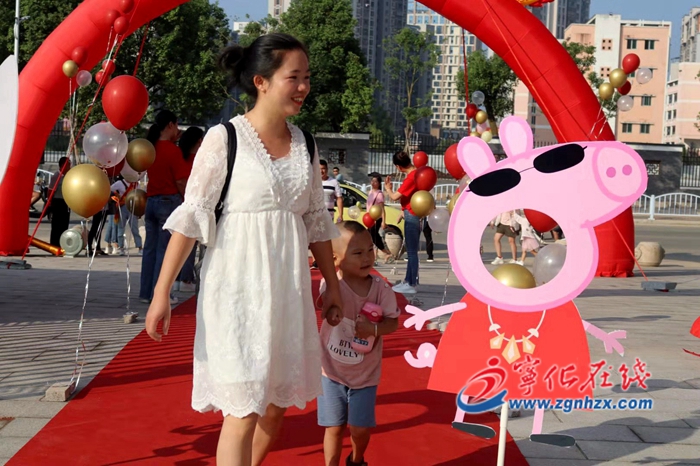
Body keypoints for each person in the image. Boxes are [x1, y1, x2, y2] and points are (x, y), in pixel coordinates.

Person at [145, 33, 344, 466]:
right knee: (243, 412)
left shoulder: (306, 145)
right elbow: (192, 218)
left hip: (287, 293)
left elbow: (316, 222)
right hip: (235, 292)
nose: (304, 87)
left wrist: (332, 285)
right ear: (261, 81)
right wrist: (161, 293)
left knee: (274, 409)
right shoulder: (224, 139)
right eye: (294, 77)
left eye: (307, 77)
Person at [317, 221, 399, 466]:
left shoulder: (381, 289)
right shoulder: (332, 285)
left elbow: (393, 323)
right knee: (333, 427)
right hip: (330, 371)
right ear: (335, 259)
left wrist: (373, 329)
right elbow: (325, 307)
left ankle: (356, 459)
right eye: (357, 253)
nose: (366, 258)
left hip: (365, 374)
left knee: (359, 429)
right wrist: (332, 311)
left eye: (370, 250)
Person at [139, 110, 189, 305]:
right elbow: (180, 181)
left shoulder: (150, 148)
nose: (177, 129)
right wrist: (187, 199)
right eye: (176, 125)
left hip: (151, 201)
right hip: (168, 202)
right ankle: (160, 294)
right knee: (164, 251)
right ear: (170, 125)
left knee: (150, 250)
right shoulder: (172, 151)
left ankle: (145, 292)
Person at [173, 126, 205, 293]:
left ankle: (178, 278)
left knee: (178, 244)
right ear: (199, 141)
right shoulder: (199, 160)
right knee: (190, 244)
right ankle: (186, 278)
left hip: (176, 204)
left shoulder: (180, 156)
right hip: (191, 203)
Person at [383, 151, 420, 294]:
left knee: (412, 252)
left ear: (398, 166)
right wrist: (402, 210)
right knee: (411, 251)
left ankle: (412, 283)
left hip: (412, 214)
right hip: (411, 212)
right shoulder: (417, 173)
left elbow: (394, 197)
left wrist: (388, 189)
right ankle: (408, 280)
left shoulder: (411, 177)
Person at [366, 173, 394, 264]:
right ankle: (379, 256)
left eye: (375, 181)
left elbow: (382, 209)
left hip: (376, 218)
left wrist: (383, 221)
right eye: (372, 181)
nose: (373, 183)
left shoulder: (379, 194)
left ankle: (386, 254)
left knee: (373, 237)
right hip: (369, 218)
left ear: (379, 183)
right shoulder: (370, 192)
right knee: (371, 237)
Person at [48, 157, 71, 247]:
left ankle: (62, 244)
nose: (70, 167)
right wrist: (50, 203)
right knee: (56, 225)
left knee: (64, 225)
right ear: (62, 165)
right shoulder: (56, 176)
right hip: (57, 202)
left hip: (66, 202)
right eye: (68, 165)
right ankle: (54, 244)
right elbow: (50, 191)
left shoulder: (68, 176)